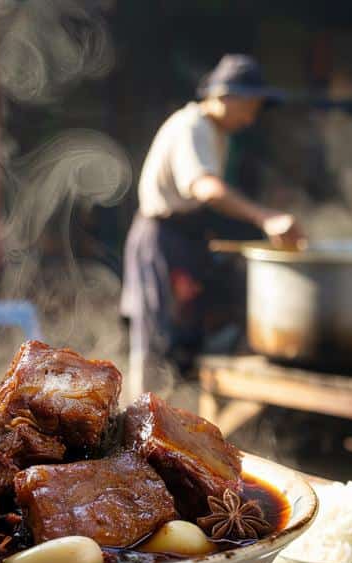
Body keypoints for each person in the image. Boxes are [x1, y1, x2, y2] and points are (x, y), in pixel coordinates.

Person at [121, 54, 304, 397]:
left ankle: (174, 423)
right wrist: (266, 217)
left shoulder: (217, 133)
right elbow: (204, 187)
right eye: (250, 105)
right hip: (161, 239)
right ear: (223, 96)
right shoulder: (192, 126)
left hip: (185, 238)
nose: (252, 117)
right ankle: (139, 429)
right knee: (157, 340)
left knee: (184, 337)